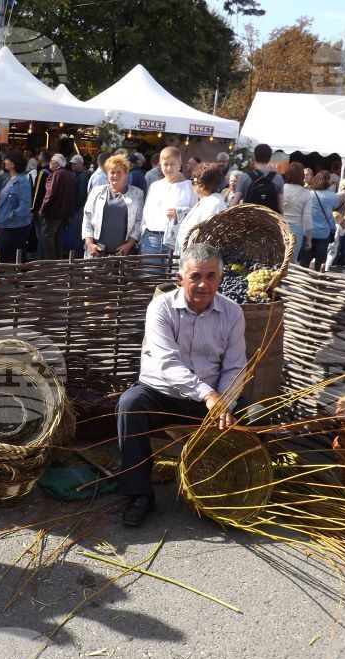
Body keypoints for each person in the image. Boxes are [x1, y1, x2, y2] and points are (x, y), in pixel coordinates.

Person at [115, 242, 246, 526]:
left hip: (210, 399)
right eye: (195, 276)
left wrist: (225, 401)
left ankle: (237, 489)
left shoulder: (233, 312)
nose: (203, 284)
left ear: (220, 279)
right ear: (180, 279)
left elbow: (236, 365)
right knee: (130, 405)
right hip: (160, 392)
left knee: (256, 413)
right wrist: (208, 395)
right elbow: (168, 364)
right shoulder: (161, 308)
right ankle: (139, 494)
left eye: (211, 276)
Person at [140, 146, 196, 265]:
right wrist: (143, 232)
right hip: (151, 239)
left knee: (171, 280)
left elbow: (195, 214)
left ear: (180, 164)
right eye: (165, 164)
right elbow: (146, 212)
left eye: (173, 164)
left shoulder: (189, 187)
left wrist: (180, 213)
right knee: (150, 278)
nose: (169, 168)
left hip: (175, 241)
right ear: (160, 165)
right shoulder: (155, 186)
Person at [82, 154, 144, 258]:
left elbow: (139, 221)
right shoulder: (96, 192)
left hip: (123, 253)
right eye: (112, 172)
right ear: (107, 174)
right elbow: (87, 218)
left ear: (126, 174)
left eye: (119, 172)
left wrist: (128, 245)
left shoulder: (137, 194)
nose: (115, 175)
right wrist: (90, 244)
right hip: (97, 251)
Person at [175, 163, 227, 252]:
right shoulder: (207, 200)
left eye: (194, 182)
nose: (192, 186)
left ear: (202, 185)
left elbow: (208, 238)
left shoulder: (215, 204)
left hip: (201, 258)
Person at [0, 149, 32, 264]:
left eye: (7, 159)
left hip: (16, 227)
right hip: (8, 225)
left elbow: (24, 206)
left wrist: (9, 216)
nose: (4, 161)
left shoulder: (22, 182)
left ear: (13, 164)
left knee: (2, 257)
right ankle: (25, 280)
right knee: (19, 258)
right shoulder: (8, 180)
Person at [38, 154, 76, 260]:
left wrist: (42, 209)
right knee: (58, 236)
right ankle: (57, 260)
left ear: (55, 163)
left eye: (51, 161)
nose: (50, 163)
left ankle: (50, 261)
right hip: (64, 213)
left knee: (47, 236)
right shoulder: (69, 175)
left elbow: (50, 194)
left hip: (53, 212)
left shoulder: (55, 174)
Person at [229, 143, 284, 214]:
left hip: (250, 219)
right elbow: (281, 208)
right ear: (270, 158)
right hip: (270, 222)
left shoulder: (245, 177)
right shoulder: (278, 178)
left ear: (254, 157)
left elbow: (234, 204)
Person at [300, 170, 339, 270]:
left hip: (308, 231)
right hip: (324, 232)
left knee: (304, 261)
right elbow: (334, 207)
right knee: (320, 261)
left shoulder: (308, 194)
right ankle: (317, 282)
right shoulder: (334, 197)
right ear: (328, 181)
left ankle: (302, 282)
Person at [282, 162, 312, 262]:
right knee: (291, 261)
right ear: (301, 176)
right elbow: (307, 217)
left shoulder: (281, 189)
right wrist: (309, 239)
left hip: (280, 227)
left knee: (277, 260)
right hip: (296, 230)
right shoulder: (306, 193)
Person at [29, 149, 52, 251]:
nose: (38, 157)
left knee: (41, 237)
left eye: (39, 155)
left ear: (43, 157)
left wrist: (32, 209)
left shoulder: (42, 173)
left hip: (40, 209)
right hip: (49, 209)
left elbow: (37, 193)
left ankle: (41, 259)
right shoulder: (52, 172)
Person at [69, 153, 90, 254]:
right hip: (77, 209)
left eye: (74, 163)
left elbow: (81, 196)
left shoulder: (82, 177)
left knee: (77, 234)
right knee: (76, 234)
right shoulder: (77, 175)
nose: (72, 165)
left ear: (80, 164)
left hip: (79, 210)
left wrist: (74, 207)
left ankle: (77, 257)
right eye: (72, 164)